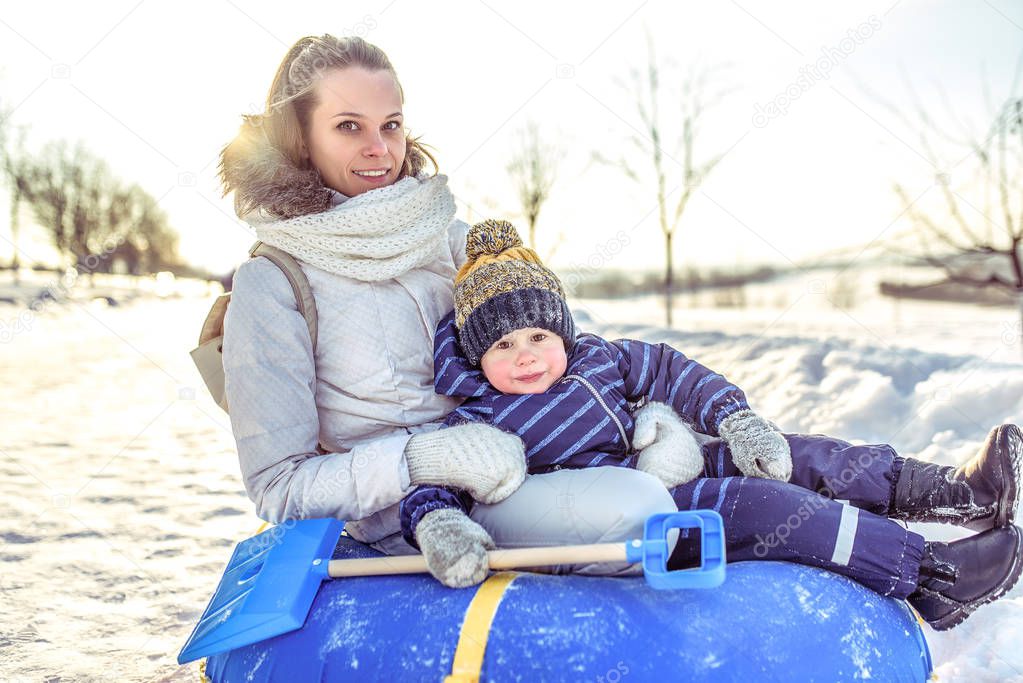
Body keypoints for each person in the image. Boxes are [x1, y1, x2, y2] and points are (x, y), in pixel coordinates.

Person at [400, 218, 1023, 630]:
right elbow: (433, 478)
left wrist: (735, 418)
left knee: (806, 456)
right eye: (504, 344)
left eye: (539, 334)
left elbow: (674, 372)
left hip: (672, 461)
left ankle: (956, 492)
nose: (528, 356)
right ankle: (932, 578)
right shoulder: (479, 414)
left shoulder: (601, 358)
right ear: (476, 353)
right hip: (647, 511)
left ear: (562, 329)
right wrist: (439, 522)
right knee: (773, 506)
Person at [218, 35, 679, 591]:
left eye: (390, 124)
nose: (379, 149)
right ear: (298, 140)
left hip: (544, 456)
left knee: (711, 455)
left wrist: (646, 415)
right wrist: (423, 458)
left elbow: (553, 345)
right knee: (641, 508)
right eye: (348, 126)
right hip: (420, 512)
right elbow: (279, 485)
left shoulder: (450, 240)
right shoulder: (273, 282)